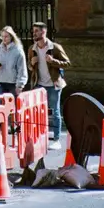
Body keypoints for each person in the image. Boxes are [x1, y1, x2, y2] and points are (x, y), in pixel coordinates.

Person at [28, 21, 70, 149]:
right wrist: (32, 63)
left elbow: (67, 63)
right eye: (33, 31)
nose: (34, 33)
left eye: (36, 31)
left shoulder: (54, 47)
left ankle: (56, 139)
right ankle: (41, 136)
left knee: (55, 111)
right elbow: (30, 67)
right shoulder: (32, 48)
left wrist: (53, 61)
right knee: (38, 112)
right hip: (38, 84)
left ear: (43, 32)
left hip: (53, 84)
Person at [0, 25, 27, 98]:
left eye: (6, 36)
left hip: (13, 84)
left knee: (13, 107)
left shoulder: (18, 51)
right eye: (2, 36)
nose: (4, 38)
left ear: (11, 37)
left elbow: (22, 69)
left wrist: (20, 85)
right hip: (1, 82)